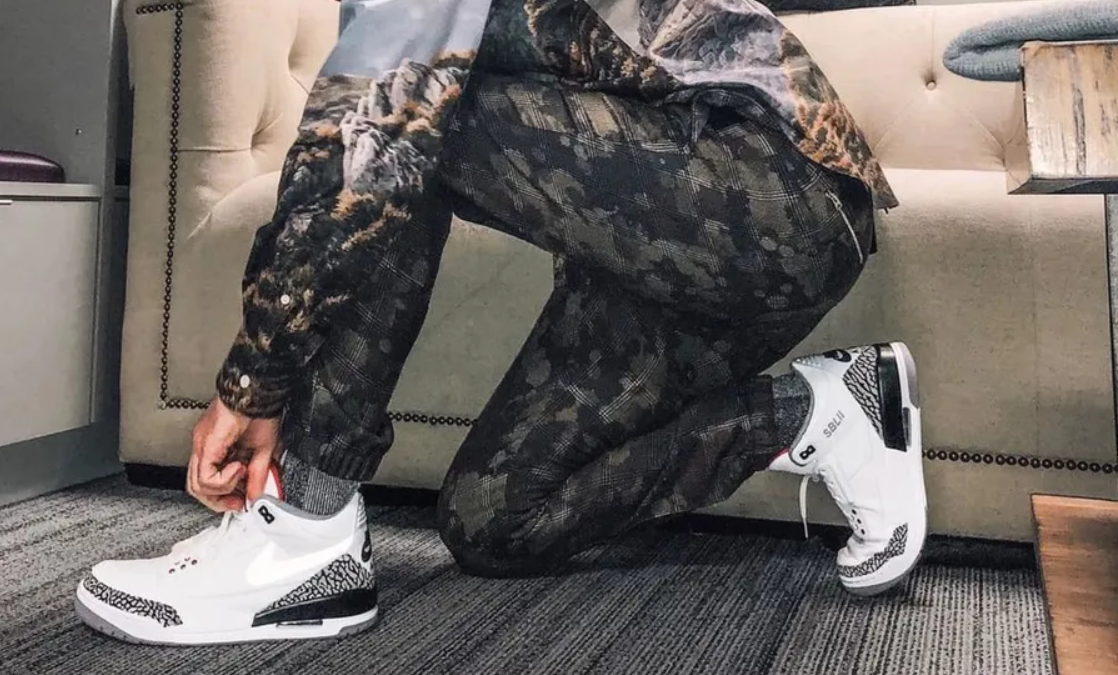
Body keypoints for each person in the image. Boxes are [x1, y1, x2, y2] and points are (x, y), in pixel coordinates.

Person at [74, 0, 927, 645]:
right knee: (496, 520)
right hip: (658, 262)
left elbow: (368, 144)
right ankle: (825, 410)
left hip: (778, 196)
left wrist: (254, 385)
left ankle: (304, 526)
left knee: (404, 128)